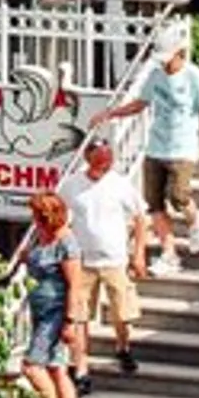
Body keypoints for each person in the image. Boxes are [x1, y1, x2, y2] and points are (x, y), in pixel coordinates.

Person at [96, 19, 199, 279]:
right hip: (156, 146)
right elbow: (140, 104)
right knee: (154, 204)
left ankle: (195, 220)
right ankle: (169, 254)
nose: (165, 63)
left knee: (179, 196)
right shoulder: (155, 75)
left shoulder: (193, 76)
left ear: (180, 53)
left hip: (184, 148)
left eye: (169, 58)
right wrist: (111, 113)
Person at [58, 134, 143, 381]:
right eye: (97, 164)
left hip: (115, 260)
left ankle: (123, 347)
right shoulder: (72, 185)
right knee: (80, 315)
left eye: (105, 164)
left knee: (122, 313)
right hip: (83, 261)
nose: (101, 170)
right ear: (88, 161)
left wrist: (138, 253)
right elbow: (60, 217)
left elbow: (139, 217)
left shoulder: (120, 184)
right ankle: (81, 366)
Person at [11, 190, 82, 398]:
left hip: (56, 313)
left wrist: (70, 321)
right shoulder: (39, 237)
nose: (34, 219)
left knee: (31, 366)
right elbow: (28, 258)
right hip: (39, 311)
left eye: (37, 215)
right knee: (56, 369)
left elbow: (74, 283)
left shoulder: (66, 242)